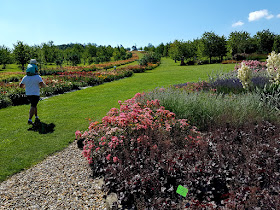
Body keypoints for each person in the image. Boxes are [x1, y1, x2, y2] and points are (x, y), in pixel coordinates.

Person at [19, 59, 46, 124]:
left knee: (34, 104)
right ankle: (30, 119)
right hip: (35, 94)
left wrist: (25, 86)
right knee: (33, 106)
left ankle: (36, 116)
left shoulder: (25, 77)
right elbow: (42, 85)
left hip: (28, 93)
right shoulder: (37, 77)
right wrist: (44, 85)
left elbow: (20, 85)